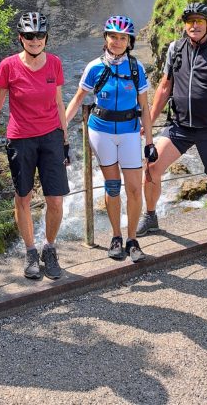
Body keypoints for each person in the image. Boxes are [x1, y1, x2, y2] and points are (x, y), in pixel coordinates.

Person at [138, 2, 207, 268]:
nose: (194, 25)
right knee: (151, 167)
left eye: (199, 21)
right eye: (190, 21)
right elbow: (164, 88)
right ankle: (151, 216)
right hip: (180, 126)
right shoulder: (175, 49)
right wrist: (149, 120)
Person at [0, 12, 69, 281]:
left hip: (51, 137)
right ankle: (30, 252)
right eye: (29, 36)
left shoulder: (55, 63)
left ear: (46, 37)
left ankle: (49, 248)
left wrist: (65, 140)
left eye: (39, 35)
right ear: (20, 38)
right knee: (23, 196)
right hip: (20, 139)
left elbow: (59, 102)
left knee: (55, 199)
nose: (35, 40)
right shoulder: (8, 66)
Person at [65, 15, 154, 262]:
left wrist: (149, 142)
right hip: (101, 131)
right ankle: (116, 237)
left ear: (129, 42)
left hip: (129, 132)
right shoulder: (94, 67)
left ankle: (132, 239)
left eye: (122, 38)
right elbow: (77, 100)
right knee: (112, 186)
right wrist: (61, 129)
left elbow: (145, 107)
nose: (117, 41)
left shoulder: (136, 68)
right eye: (113, 36)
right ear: (105, 38)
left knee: (134, 188)